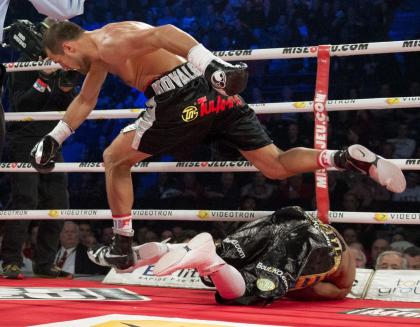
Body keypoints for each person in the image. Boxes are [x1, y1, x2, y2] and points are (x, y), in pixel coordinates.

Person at [30, 21, 406, 272]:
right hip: (217, 97)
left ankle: (122, 243)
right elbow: (86, 100)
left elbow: (165, 33)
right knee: (274, 164)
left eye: (57, 59)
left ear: (66, 45)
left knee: (114, 158)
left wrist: (212, 64)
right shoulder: (98, 54)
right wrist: (54, 136)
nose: (61, 66)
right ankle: (344, 158)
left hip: (182, 97)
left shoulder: (114, 38)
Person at [142, 206, 355, 305]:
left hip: (288, 216)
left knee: (232, 250)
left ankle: (166, 249)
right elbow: (318, 290)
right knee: (254, 288)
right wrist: (283, 290)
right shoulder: (344, 282)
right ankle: (211, 262)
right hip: (316, 243)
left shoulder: (343, 251)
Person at [0, 20, 78, 278]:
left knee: (58, 202)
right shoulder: (26, 62)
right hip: (24, 137)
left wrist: (66, 87)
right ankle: (10, 260)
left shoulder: (62, 62)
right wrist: (43, 78)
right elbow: (22, 105)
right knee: (25, 199)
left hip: (51, 138)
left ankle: (44, 263)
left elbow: (63, 105)